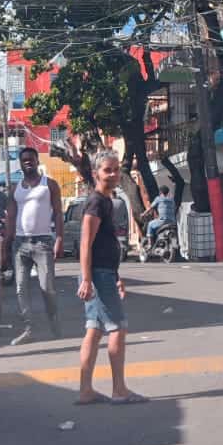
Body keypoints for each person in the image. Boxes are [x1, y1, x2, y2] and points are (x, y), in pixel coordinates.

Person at [75, 149, 146, 405]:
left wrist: (116, 276)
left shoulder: (106, 201)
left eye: (116, 169)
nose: (114, 174)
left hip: (104, 274)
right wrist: (86, 279)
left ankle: (85, 391)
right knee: (118, 327)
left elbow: (105, 244)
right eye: (108, 170)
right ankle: (119, 390)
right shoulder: (95, 202)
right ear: (96, 174)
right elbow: (85, 243)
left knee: (94, 331)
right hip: (96, 275)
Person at [5, 147, 63, 345]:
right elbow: (10, 218)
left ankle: (54, 322)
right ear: (20, 164)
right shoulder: (16, 188)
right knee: (21, 288)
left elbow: (58, 213)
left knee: (47, 287)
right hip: (20, 244)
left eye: (31, 159)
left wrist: (60, 239)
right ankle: (29, 328)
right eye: (24, 160)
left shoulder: (50, 185)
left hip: (43, 242)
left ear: (37, 161)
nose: (27, 162)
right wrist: (6, 243)